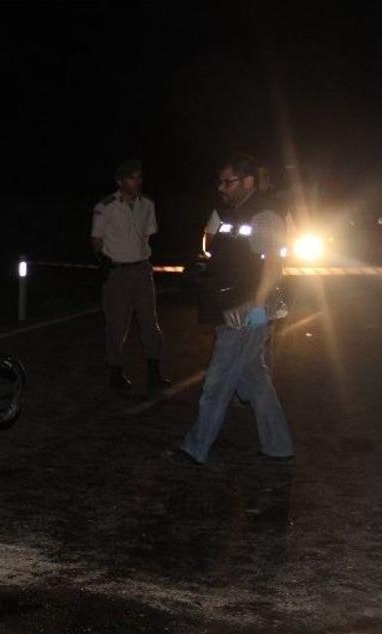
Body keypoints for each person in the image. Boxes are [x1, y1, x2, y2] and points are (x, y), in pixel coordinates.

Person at [177, 154, 294, 465]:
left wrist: (252, 307)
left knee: (216, 384)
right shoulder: (231, 213)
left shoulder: (264, 214)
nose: (221, 187)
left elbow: (272, 266)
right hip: (233, 307)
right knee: (255, 381)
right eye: (220, 181)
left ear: (248, 182)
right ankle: (279, 445)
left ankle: (195, 448)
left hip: (248, 313)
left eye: (228, 182)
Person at [91, 158, 170, 393]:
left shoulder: (147, 204)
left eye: (139, 177)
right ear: (120, 181)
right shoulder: (105, 207)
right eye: (132, 178)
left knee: (150, 323)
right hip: (117, 273)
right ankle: (115, 372)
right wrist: (102, 260)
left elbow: (148, 234)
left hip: (141, 270)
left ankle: (154, 373)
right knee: (116, 324)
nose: (138, 182)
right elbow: (96, 239)